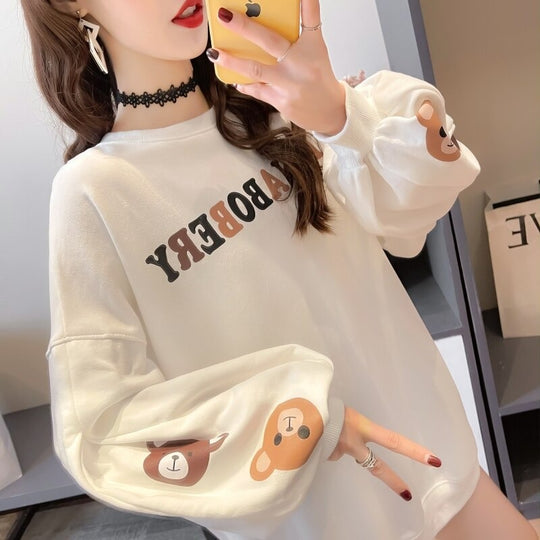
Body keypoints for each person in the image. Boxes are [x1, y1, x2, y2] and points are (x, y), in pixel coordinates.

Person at [21, 1, 537, 539]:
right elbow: (103, 424)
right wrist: (309, 416)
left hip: (435, 467)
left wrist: (339, 113)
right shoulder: (93, 193)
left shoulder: (276, 109)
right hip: (318, 520)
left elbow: (410, 205)